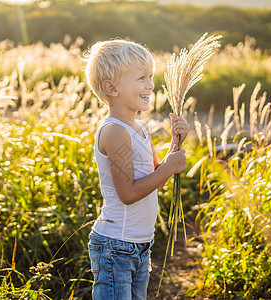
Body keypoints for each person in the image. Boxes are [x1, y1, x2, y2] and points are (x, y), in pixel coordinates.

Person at [83, 39, 189, 299]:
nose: (151, 85)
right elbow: (128, 194)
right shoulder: (115, 131)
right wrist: (170, 168)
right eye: (141, 78)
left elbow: (155, 179)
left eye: (150, 77)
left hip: (140, 245)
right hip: (116, 246)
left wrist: (176, 145)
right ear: (111, 88)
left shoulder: (140, 128)